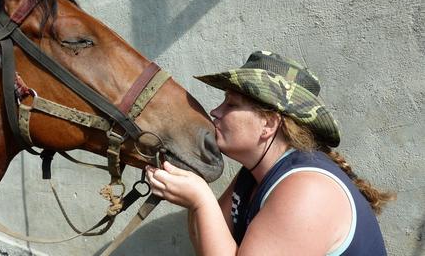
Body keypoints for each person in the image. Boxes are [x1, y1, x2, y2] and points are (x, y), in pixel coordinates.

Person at [145, 51, 395, 255]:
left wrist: (201, 201)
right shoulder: (252, 175)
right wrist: (193, 182)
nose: (215, 112)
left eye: (231, 104)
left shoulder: (308, 190)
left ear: (269, 124)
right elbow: (204, 240)